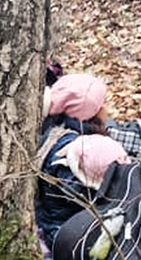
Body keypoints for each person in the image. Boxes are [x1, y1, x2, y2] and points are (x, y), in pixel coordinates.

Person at [36, 73, 111, 246]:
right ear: (90, 111)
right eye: (102, 104)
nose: (106, 109)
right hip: (68, 234)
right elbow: (88, 198)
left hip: (59, 225)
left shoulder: (55, 131)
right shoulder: (74, 151)